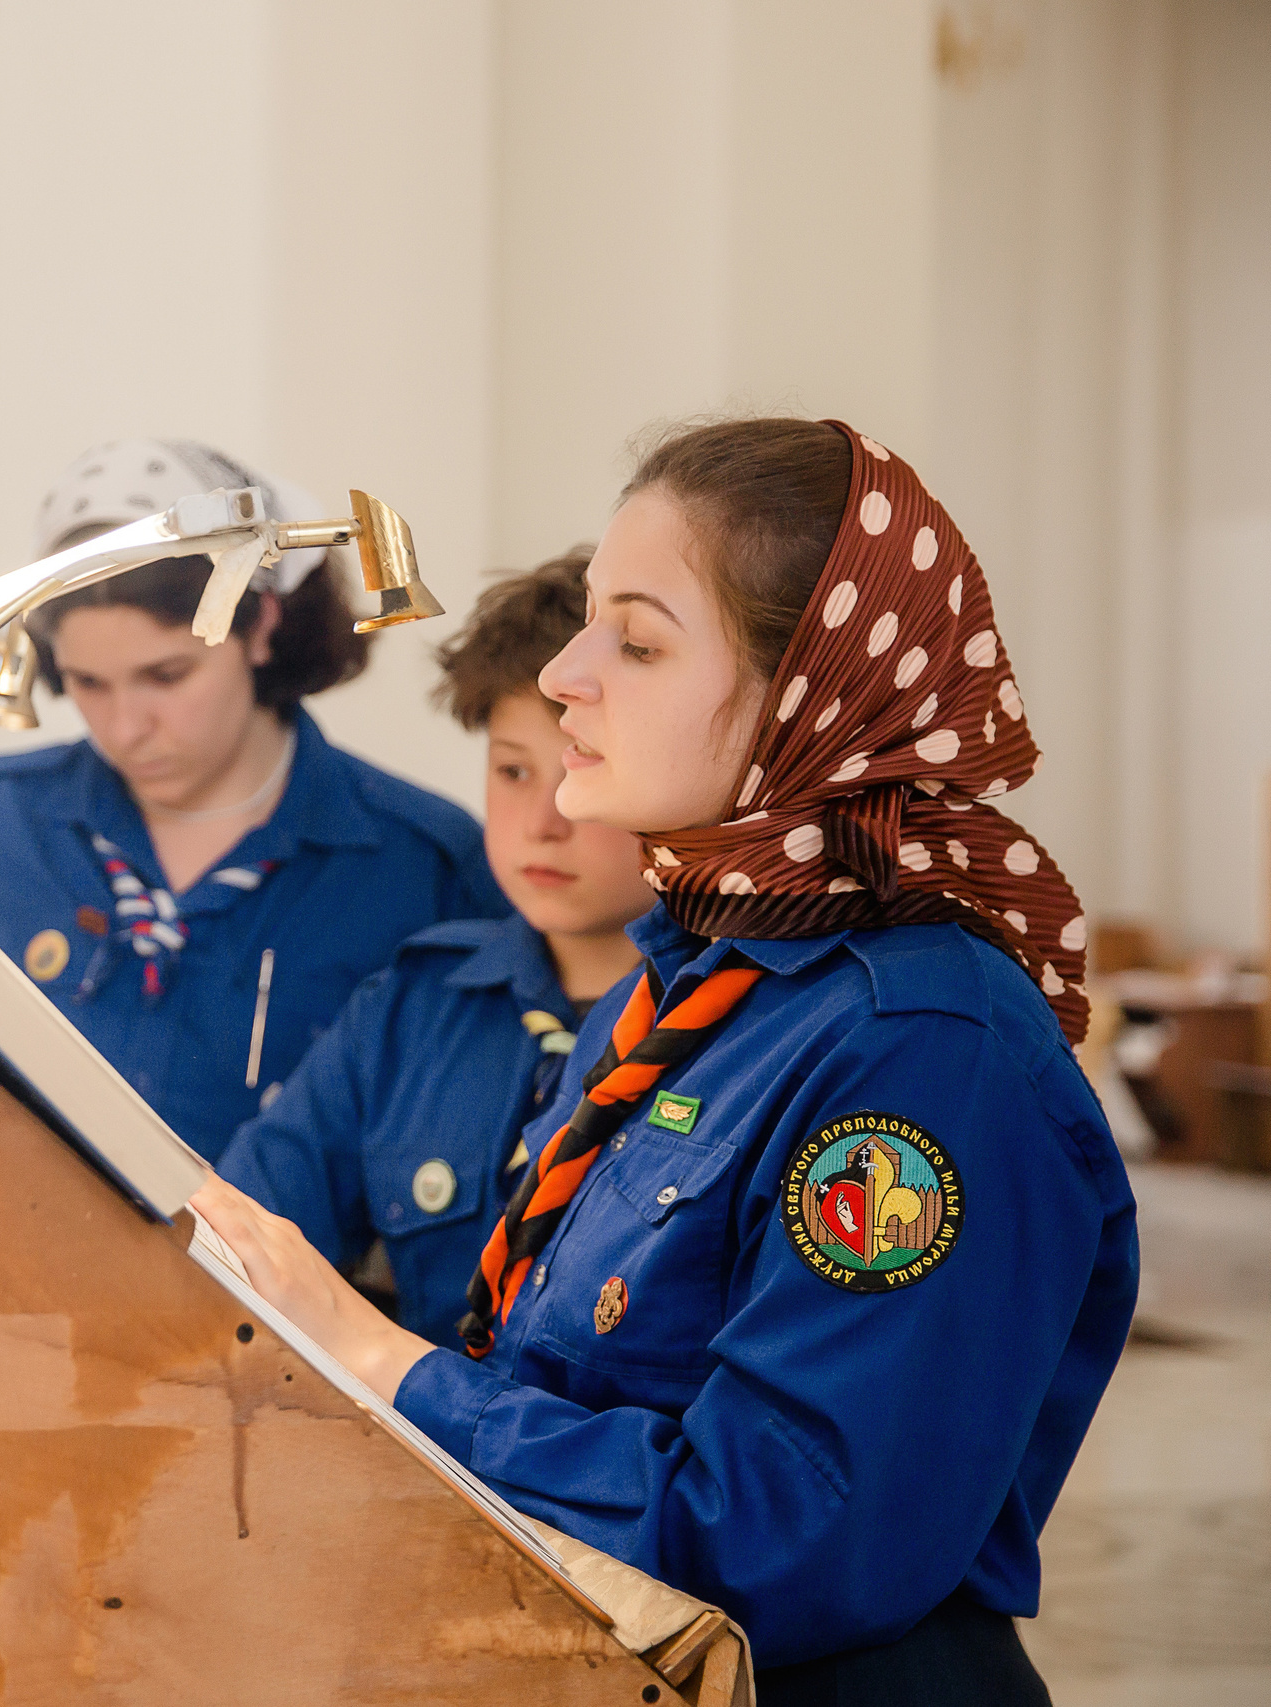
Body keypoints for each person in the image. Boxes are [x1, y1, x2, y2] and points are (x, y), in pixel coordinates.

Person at [192, 417, 1137, 1700]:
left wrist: (381, 1362)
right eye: (591, 625)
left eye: (635, 641)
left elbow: (779, 1535)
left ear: (810, 690)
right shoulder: (690, 991)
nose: (571, 675)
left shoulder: (919, 1049)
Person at [0, 439, 507, 1162]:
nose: (126, 728)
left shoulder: (423, 868)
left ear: (260, 626)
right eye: (90, 684)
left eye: (166, 675)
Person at [216, 550, 655, 1345]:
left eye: (584, 771)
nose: (545, 818)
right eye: (513, 771)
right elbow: (241, 1230)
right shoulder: (416, 1005)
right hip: (400, 1453)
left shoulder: (730, 1019)